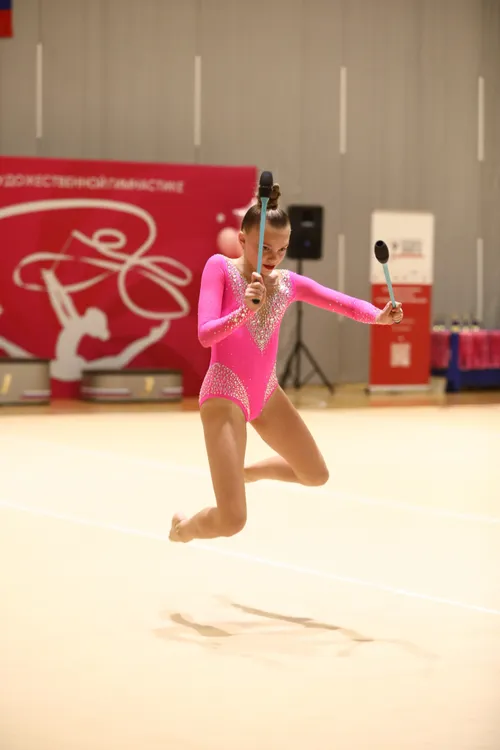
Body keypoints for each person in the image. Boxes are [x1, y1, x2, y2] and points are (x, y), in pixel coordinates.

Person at [169, 184, 403, 543]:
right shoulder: (219, 268)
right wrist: (245, 310)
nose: (273, 257)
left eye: (282, 249)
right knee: (232, 521)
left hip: (265, 392)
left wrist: (378, 316)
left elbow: (340, 302)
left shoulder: (286, 283)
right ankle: (183, 529)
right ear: (242, 239)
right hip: (224, 394)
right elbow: (205, 335)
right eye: (264, 247)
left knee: (315, 474)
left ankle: (246, 473)